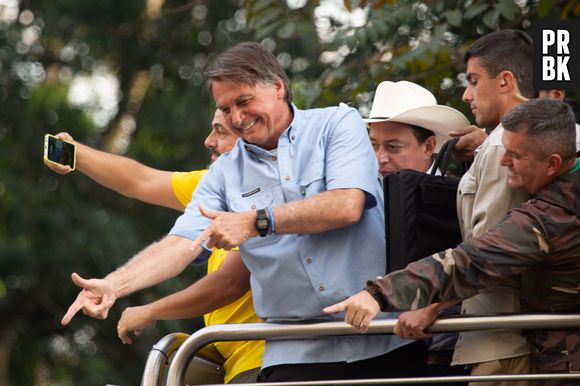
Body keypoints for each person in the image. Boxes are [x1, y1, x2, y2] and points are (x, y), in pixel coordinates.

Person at [61, 42, 422, 383]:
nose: (236, 117)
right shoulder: (222, 174)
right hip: (295, 353)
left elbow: (346, 205)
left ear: (278, 88)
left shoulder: (336, 125)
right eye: (225, 108)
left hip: (382, 334)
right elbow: (179, 242)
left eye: (244, 101)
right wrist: (113, 284)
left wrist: (256, 221)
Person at [325, 97, 580, 386]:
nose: (503, 161)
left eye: (515, 155)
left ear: (553, 163)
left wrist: (379, 294)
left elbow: (472, 260)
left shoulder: (551, 219)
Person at [47, 111, 263, 384]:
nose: (208, 141)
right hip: (231, 363)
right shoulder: (216, 185)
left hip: (262, 362)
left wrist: (151, 310)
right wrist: (76, 153)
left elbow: (230, 282)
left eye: (221, 132)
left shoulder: (264, 190)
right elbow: (140, 180)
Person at [365, 79, 470, 383]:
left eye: (393, 146)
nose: (381, 157)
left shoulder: (461, 193)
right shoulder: (363, 196)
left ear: (429, 146)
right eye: (374, 145)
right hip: (386, 350)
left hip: (449, 349)